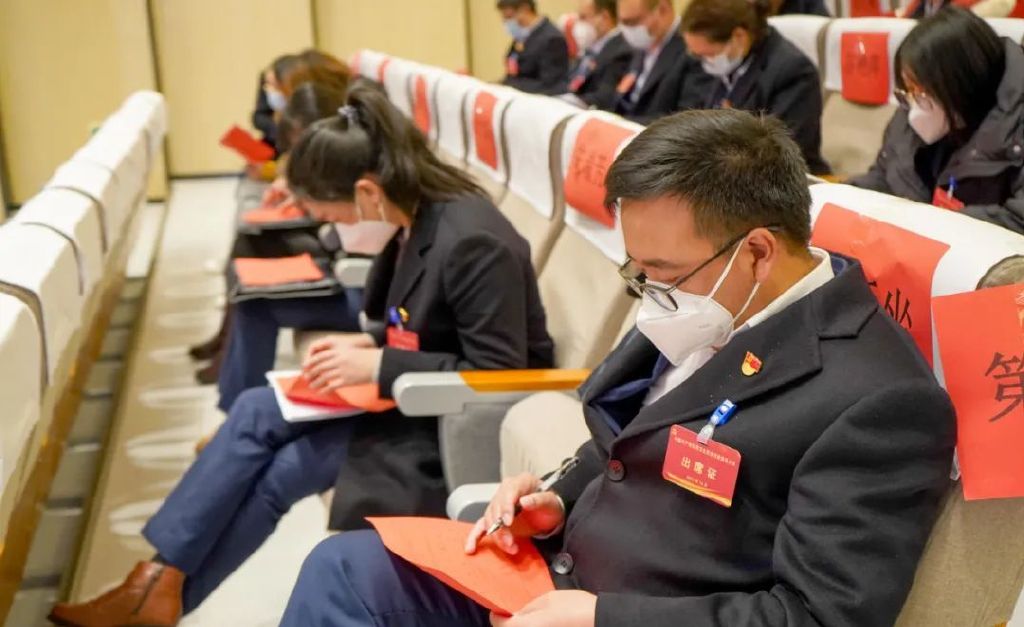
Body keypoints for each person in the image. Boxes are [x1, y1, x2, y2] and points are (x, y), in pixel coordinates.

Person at [278, 108, 956, 627]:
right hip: (552, 576)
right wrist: (556, 501)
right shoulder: (705, 300)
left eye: (660, 271)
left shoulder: (877, 398)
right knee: (344, 568)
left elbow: (816, 616)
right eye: (638, 269)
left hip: (624, 614)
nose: (648, 291)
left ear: (756, 251)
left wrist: (604, 618)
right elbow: (629, 438)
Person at [48, 85, 555, 627]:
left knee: (288, 468)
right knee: (255, 410)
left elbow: (500, 372)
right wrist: (371, 345)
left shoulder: (472, 240)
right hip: (411, 400)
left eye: (329, 214)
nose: (330, 228)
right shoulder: (416, 221)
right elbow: (423, 326)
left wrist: (379, 365)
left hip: (447, 427)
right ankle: (156, 581)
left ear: (366, 192)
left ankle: (154, 595)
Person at [849, 7, 1024, 235]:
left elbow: (1018, 219)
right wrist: (844, 198)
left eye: (922, 93)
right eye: (909, 90)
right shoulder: (911, 107)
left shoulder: (1015, 125)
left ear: (960, 84)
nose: (913, 105)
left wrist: (931, 224)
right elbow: (882, 178)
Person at [677, 0, 831, 174]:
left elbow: (782, 152)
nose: (705, 63)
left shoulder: (792, 71)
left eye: (709, 55)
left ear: (739, 36)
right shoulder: (723, 63)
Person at [613, 0, 693, 123]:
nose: (627, 30)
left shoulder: (691, 48)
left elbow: (685, 117)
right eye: (623, 23)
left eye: (633, 22)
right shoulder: (642, 44)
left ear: (663, 10)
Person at [560, 0, 634, 111]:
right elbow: (572, 80)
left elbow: (604, 97)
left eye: (583, 17)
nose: (578, 25)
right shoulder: (591, 46)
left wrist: (567, 101)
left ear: (604, 17)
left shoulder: (621, 50)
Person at [498, 0, 571, 95]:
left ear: (524, 9)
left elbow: (550, 85)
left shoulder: (552, 39)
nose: (507, 22)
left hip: (539, 99)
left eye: (509, 17)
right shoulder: (522, 36)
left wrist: (510, 86)